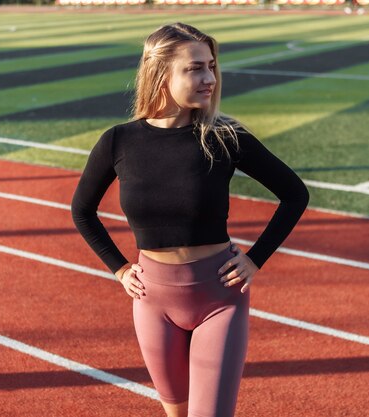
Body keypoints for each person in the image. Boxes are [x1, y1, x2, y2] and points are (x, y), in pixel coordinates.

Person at [71, 22, 309, 417]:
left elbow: (295, 194)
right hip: (152, 301)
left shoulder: (224, 136)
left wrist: (255, 258)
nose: (209, 78)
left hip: (219, 297)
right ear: (160, 74)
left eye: (211, 66)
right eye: (195, 68)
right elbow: (82, 210)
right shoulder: (119, 141)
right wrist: (119, 269)